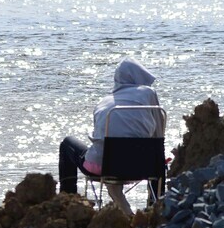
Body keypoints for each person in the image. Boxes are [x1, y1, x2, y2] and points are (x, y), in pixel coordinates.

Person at [58, 57, 164, 214]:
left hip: (105, 167)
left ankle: (67, 200)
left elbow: (99, 135)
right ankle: (154, 207)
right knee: (158, 157)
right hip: (143, 166)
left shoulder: (104, 102)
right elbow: (159, 134)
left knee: (67, 143)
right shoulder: (148, 93)